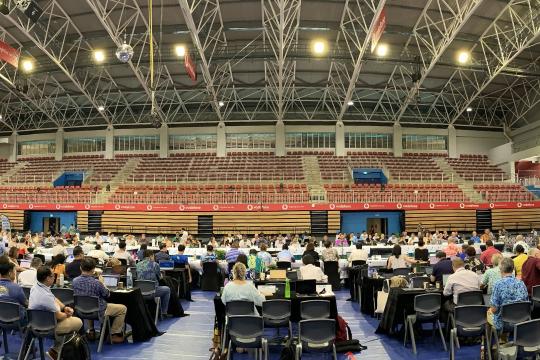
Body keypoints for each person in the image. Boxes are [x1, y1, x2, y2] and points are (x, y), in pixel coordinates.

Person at [29, 266, 83, 359]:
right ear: (47, 278)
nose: (55, 277)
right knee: (78, 322)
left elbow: (53, 297)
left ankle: (56, 350)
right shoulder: (45, 296)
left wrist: (64, 307)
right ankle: (59, 351)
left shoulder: (36, 286)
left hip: (35, 325)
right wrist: (67, 314)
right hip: (48, 328)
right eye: (53, 275)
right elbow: (59, 316)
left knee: (69, 323)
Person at [72, 257, 127, 343]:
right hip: (98, 312)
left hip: (80, 311)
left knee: (89, 304)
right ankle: (114, 334)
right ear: (93, 269)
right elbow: (107, 294)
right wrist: (102, 283)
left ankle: (91, 331)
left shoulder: (74, 281)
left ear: (80, 268)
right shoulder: (97, 283)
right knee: (122, 308)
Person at [487, 258, 529, 334]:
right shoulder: (521, 283)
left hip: (504, 323)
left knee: (488, 313)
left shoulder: (498, 284)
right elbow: (526, 302)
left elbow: (494, 308)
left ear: (500, 269)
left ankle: (489, 344)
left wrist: (489, 311)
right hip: (522, 319)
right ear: (513, 269)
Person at [136, 250, 171, 316]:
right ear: (151, 256)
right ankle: (164, 312)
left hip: (140, 293)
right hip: (152, 292)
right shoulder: (155, 264)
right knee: (167, 289)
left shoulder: (137, 265)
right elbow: (160, 277)